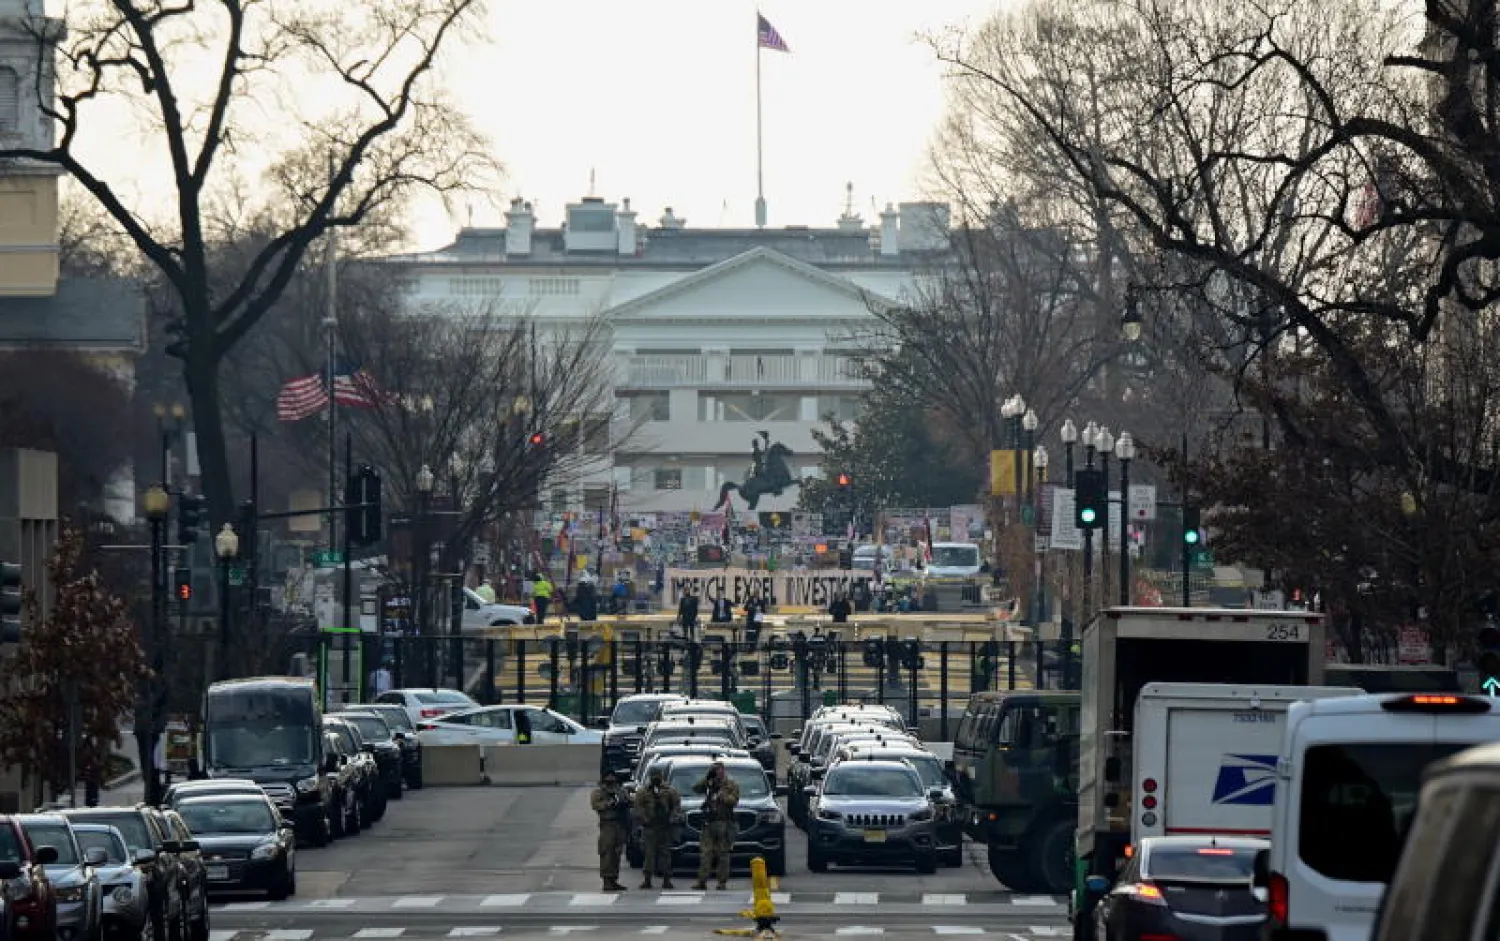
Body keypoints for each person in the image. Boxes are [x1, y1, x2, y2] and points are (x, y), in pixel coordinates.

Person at [690, 761, 740, 890]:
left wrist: (722, 795)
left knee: (723, 853)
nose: (717, 772)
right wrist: (706, 778)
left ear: (723, 770)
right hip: (709, 822)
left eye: (719, 770)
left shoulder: (731, 785)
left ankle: (721, 882)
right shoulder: (709, 783)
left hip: (723, 822)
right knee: (706, 853)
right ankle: (702, 881)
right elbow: (695, 789)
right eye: (714, 770)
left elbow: (734, 801)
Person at [633, 768, 682, 889]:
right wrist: (644, 819)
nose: (656, 778)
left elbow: (676, 806)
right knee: (649, 854)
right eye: (654, 776)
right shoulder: (643, 791)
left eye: (658, 776)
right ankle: (647, 879)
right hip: (650, 827)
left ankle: (666, 879)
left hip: (665, 827)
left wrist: (672, 818)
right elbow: (638, 807)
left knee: (665, 854)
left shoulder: (669, 791)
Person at [590, 772, 631, 891]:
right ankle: (606, 880)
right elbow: (596, 805)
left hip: (619, 823)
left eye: (613, 780)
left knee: (617, 853)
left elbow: (628, 801)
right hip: (607, 824)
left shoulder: (620, 790)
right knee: (607, 852)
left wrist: (625, 801)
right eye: (608, 780)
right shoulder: (599, 793)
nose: (611, 782)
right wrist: (609, 803)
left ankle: (613, 879)